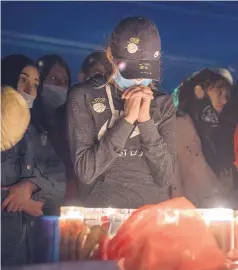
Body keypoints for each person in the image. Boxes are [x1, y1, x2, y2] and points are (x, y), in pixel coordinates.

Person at [67, 17, 178, 208]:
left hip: (151, 217)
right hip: (102, 216)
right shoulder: (83, 95)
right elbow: (86, 172)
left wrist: (145, 121)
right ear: (110, 56)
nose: (137, 79)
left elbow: (166, 177)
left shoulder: (162, 103)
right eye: (131, 69)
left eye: (145, 70)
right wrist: (126, 121)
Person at [1, 54, 65, 266]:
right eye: (22, 80)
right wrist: (21, 202)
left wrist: (31, 186)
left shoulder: (41, 132)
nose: (29, 90)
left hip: (30, 247)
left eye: (35, 84)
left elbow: (60, 180)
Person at [172, 68, 234, 207]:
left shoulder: (217, 131)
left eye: (227, 96)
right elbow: (192, 170)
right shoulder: (181, 124)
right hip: (188, 212)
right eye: (219, 92)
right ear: (199, 91)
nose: (224, 100)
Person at [32, 54, 78, 203]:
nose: (60, 85)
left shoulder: (71, 125)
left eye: (65, 81)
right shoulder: (26, 124)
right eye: (54, 79)